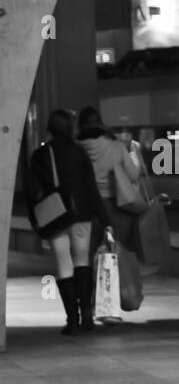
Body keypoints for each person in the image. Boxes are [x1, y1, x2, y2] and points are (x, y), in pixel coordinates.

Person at [23, 110, 113, 334]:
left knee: (64, 264)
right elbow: (91, 188)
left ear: (50, 129)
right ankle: (87, 318)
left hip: (55, 216)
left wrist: (34, 218)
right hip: (81, 213)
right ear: (71, 128)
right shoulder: (80, 153)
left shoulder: (40, 155)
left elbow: (32, 190)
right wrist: (105, 219)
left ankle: (72, 320)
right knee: (82, 260)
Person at [76, 106, 144, 259]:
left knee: (87, 258)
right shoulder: (116, 145)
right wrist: (134, 157)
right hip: (117, 207)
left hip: (87, 209)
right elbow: (133, 175)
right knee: (117, 257)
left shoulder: (76, 148)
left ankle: (92, 282)